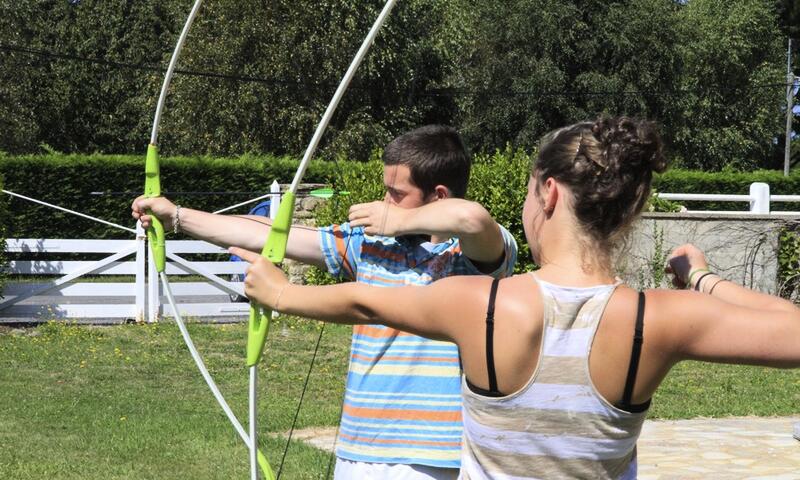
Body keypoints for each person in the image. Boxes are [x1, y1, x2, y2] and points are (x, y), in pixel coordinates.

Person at [232, 116, 800, 479]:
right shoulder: (657, 318)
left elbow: (365, 302)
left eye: (530, 191)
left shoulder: (484, 303)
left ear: (548, 194)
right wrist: (700, 278)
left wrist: (280, 294)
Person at [132, 125, 518, 480]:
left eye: (396, 195)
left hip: (432, 456)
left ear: (438, 196)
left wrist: (397, 220)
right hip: (357, 447)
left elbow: (472, 218)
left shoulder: (472, 261)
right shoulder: (371, 244)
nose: (384, 201)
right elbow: (266, 233)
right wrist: (177, 216)